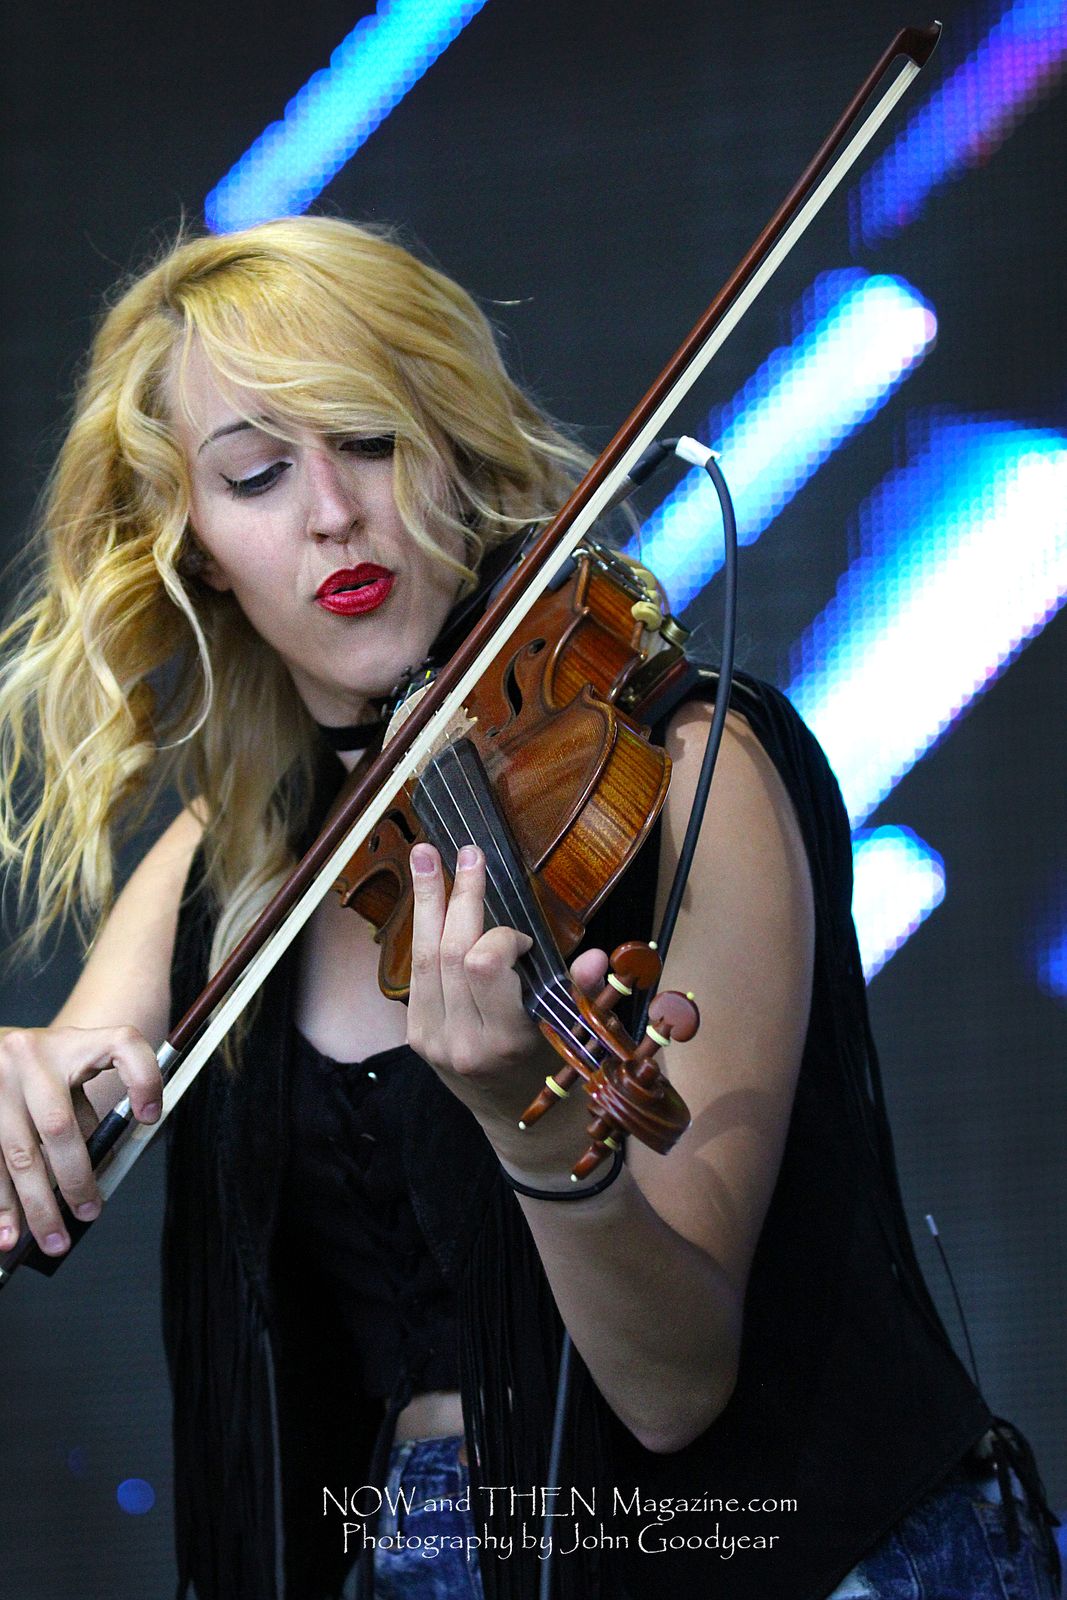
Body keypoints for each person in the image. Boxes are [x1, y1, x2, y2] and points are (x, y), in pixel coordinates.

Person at [0, 216, 1059, 1600]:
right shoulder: (239, 854)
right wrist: (25, 1095)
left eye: (370, 440)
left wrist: (532, 1118)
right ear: (196, 548)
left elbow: (674, 1388)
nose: (334, 511)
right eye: (257, 475)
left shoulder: (689, 766)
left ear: (451, 446)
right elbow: (75, 1072)